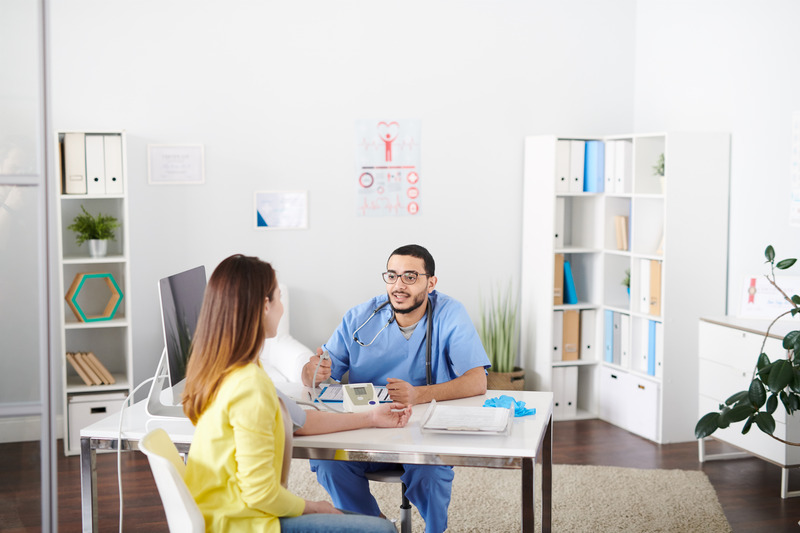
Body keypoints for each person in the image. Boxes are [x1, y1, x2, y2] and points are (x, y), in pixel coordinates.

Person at [181, 254, 409, 533]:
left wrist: (372, 416)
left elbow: (301, 420)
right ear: (264, 306)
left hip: (221, 515)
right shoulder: (250, 387)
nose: (282, 308)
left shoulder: (222, 372)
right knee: (381, 530)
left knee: (359, 520)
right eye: (278, 298)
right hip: (243, 524)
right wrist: (314, 506)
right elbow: (260, 494)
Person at [301, 244, 491, 533]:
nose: (399, 286)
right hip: (366, 430)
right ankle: (372, 526)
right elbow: (319, 373)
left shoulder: (450, 314)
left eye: (410, 277)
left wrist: (419, 394)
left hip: (423, 432)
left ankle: (434, 530)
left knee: (430, 473)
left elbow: (477, 380)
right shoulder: (360, 317)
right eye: (392, 276)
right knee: (329, 462)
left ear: (431, 283)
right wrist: (313, 371)